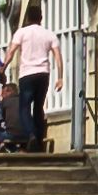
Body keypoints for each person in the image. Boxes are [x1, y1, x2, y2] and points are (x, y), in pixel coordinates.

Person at [8, 8, 61, 153]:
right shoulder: (49, 34)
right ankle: (38, 140)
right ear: (41, 18)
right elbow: (58, 57)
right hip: (43, 74)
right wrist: (60, 77)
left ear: (27, 18)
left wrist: (3, 66)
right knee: (39, 107)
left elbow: (11, 51)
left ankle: (31, 134)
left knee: (24, 108)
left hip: (27, 74)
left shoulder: (21, 32)